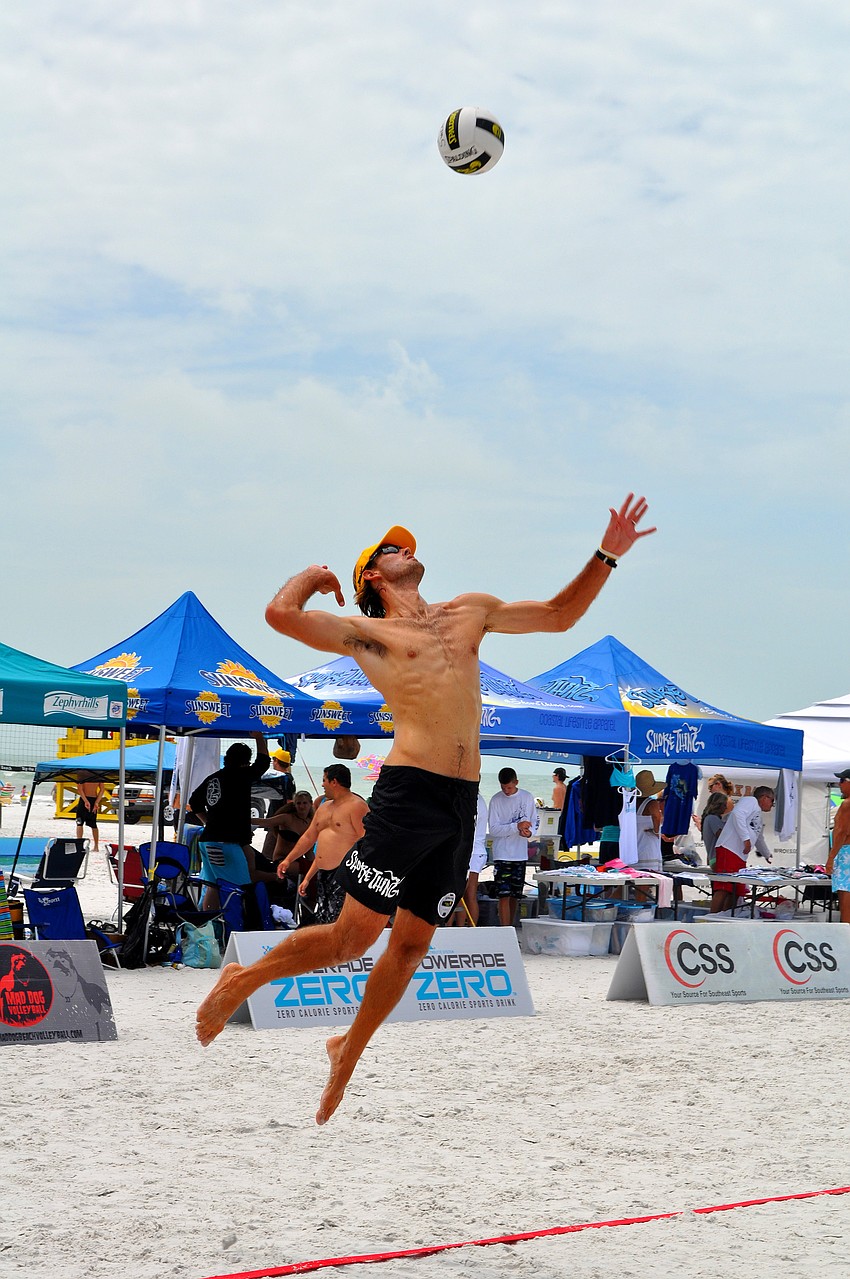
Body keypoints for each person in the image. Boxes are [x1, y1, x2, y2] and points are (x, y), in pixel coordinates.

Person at [196, 493, 655, 1124]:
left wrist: (607, 554)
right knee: (352, 940)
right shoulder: (373, 634)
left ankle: (347, 1050)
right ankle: (243, 980)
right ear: (373, 577)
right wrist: (313, 575)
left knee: (412, 945)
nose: (406, 547)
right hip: (408, 792)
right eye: (392, 546)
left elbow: (558, 615)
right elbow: (280, 614)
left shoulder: (469, 611)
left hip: (460, 800)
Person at [277, 765, 368, 926]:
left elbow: (367, 843)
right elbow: (310, 837)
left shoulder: (357, 806)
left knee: (339, 921)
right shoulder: (324, 807)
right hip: (323, 873)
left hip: (345, 873)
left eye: (324, 780)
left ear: (334, 782)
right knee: (323, 919)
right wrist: (290, 860)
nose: (322, 784)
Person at [188, 733, 270, 907]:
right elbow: (263, 762)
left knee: (214, 885)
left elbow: (194, 802)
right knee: (239, 887)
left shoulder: (214, 778)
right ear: (245, 762)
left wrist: (208, 822)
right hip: (224, 844)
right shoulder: (241, 775)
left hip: (208, 840)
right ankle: (232, 924)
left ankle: (209, 922)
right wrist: (259, 738)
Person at [710, 786, 775, 914]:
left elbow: (759, 838)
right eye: (772, 801)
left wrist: (766, 854)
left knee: (735, 889)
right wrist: (746, 839)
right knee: (724, 887)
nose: (772, 805)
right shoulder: (750, 801)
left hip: (739, 855)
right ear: (764, 797)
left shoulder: (758, 816)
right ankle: (710, 918)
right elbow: (737, 814)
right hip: (729, 849)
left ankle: (725, 917)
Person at [488, 768, 538, 927]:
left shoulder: (527, 797)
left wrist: (529, 833)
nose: (506, 791)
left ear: (516, 783)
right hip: (502, 853)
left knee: (516, 894)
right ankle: (504, 928)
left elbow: (534, 821)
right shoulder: (496, 800)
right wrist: (516, 826)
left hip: (520, 854)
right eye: (503, 788)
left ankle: (510, 926)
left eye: (509, 787)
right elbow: (494, 829)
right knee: (503, 894)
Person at [451, 792, 489, 926]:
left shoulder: (472, 800)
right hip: (476, 851)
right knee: (467, 894)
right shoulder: (479, 799)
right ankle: (463, 928)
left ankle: (456, 928)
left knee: (457, 893)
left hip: (470, 852)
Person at [825, 769, 850, 925]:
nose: (839, 785)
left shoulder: (847, 805)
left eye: (842, 781)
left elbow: (841, 833)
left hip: (846, 854)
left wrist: (830, 858)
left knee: (846, 899)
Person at [74, 772, 105, 852]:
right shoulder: (98, 775)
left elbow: (80, 789)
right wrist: (97, 802)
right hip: (93, 799)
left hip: (84, 800)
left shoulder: (82, 775)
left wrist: (85, 801)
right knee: (93, 824)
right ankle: (96, 846)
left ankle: (79, 845)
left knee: (79, 822)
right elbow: (102, 790)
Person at [700, 792, 731, 868]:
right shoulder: (712, 818)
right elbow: (722, 837)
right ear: (718, 805)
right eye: (724, 805)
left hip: (714, 858)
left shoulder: (709, 819)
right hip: (718, 858)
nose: (726, 807)